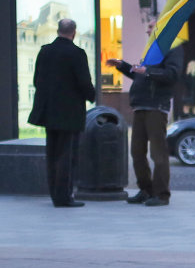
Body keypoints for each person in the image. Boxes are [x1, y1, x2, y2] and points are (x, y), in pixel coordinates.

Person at [106, 31, 184, 207]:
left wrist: (148, 71)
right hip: (140, 105)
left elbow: (172, 74)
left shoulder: (173, 48)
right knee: (137, 152)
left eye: (152, 27)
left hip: (156, 106)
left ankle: (161, 194)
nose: (148, 30)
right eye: (148, 28)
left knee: (158, 153)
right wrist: (123, 66)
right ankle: (146, 190)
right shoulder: (152, 50)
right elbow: (140, 74)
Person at [29, 19, 96, 208]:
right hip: (70, 112)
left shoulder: (45, 51)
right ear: (73, 32)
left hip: (49, 111)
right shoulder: (77, 53)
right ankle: (64, 196)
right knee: (67, 155)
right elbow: (84, 83)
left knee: (52, 153)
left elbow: (36, 80)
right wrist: (92, 96)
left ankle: (54, 194)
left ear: (58, 31)